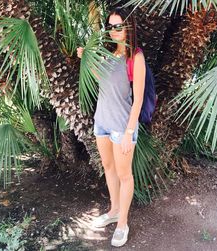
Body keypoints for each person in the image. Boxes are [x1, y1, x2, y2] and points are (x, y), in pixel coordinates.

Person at [77, 6, 145, 247]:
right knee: (108, 166)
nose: (114, 31)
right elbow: (102, 81)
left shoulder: (135, 57)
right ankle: (114, 209)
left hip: (122, 126)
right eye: (111, 26)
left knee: (125, 174)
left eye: (119, 26)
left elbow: (137, 100)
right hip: (102, 122)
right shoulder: (107, 54)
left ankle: (122, 223)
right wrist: (86, 57)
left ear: (128, 27)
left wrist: (129, 132)